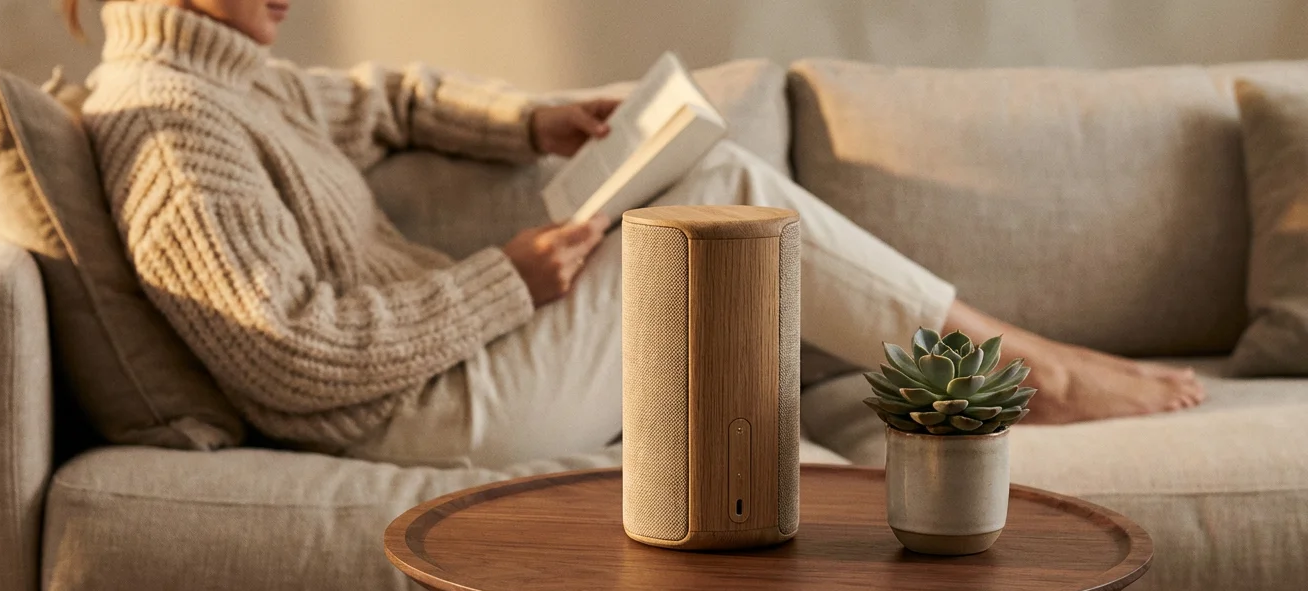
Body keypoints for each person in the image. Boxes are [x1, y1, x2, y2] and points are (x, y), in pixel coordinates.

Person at [67, 0, 1206, 467]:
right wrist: (504, 283)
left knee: (709, 191)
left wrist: (530, 121)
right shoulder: (168, 126)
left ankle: (978, 369)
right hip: (415, 413)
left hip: (454, 360)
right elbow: (286, 349)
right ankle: (1024, 372)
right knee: (716, 195)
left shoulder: (228, 79)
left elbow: (384, 98)